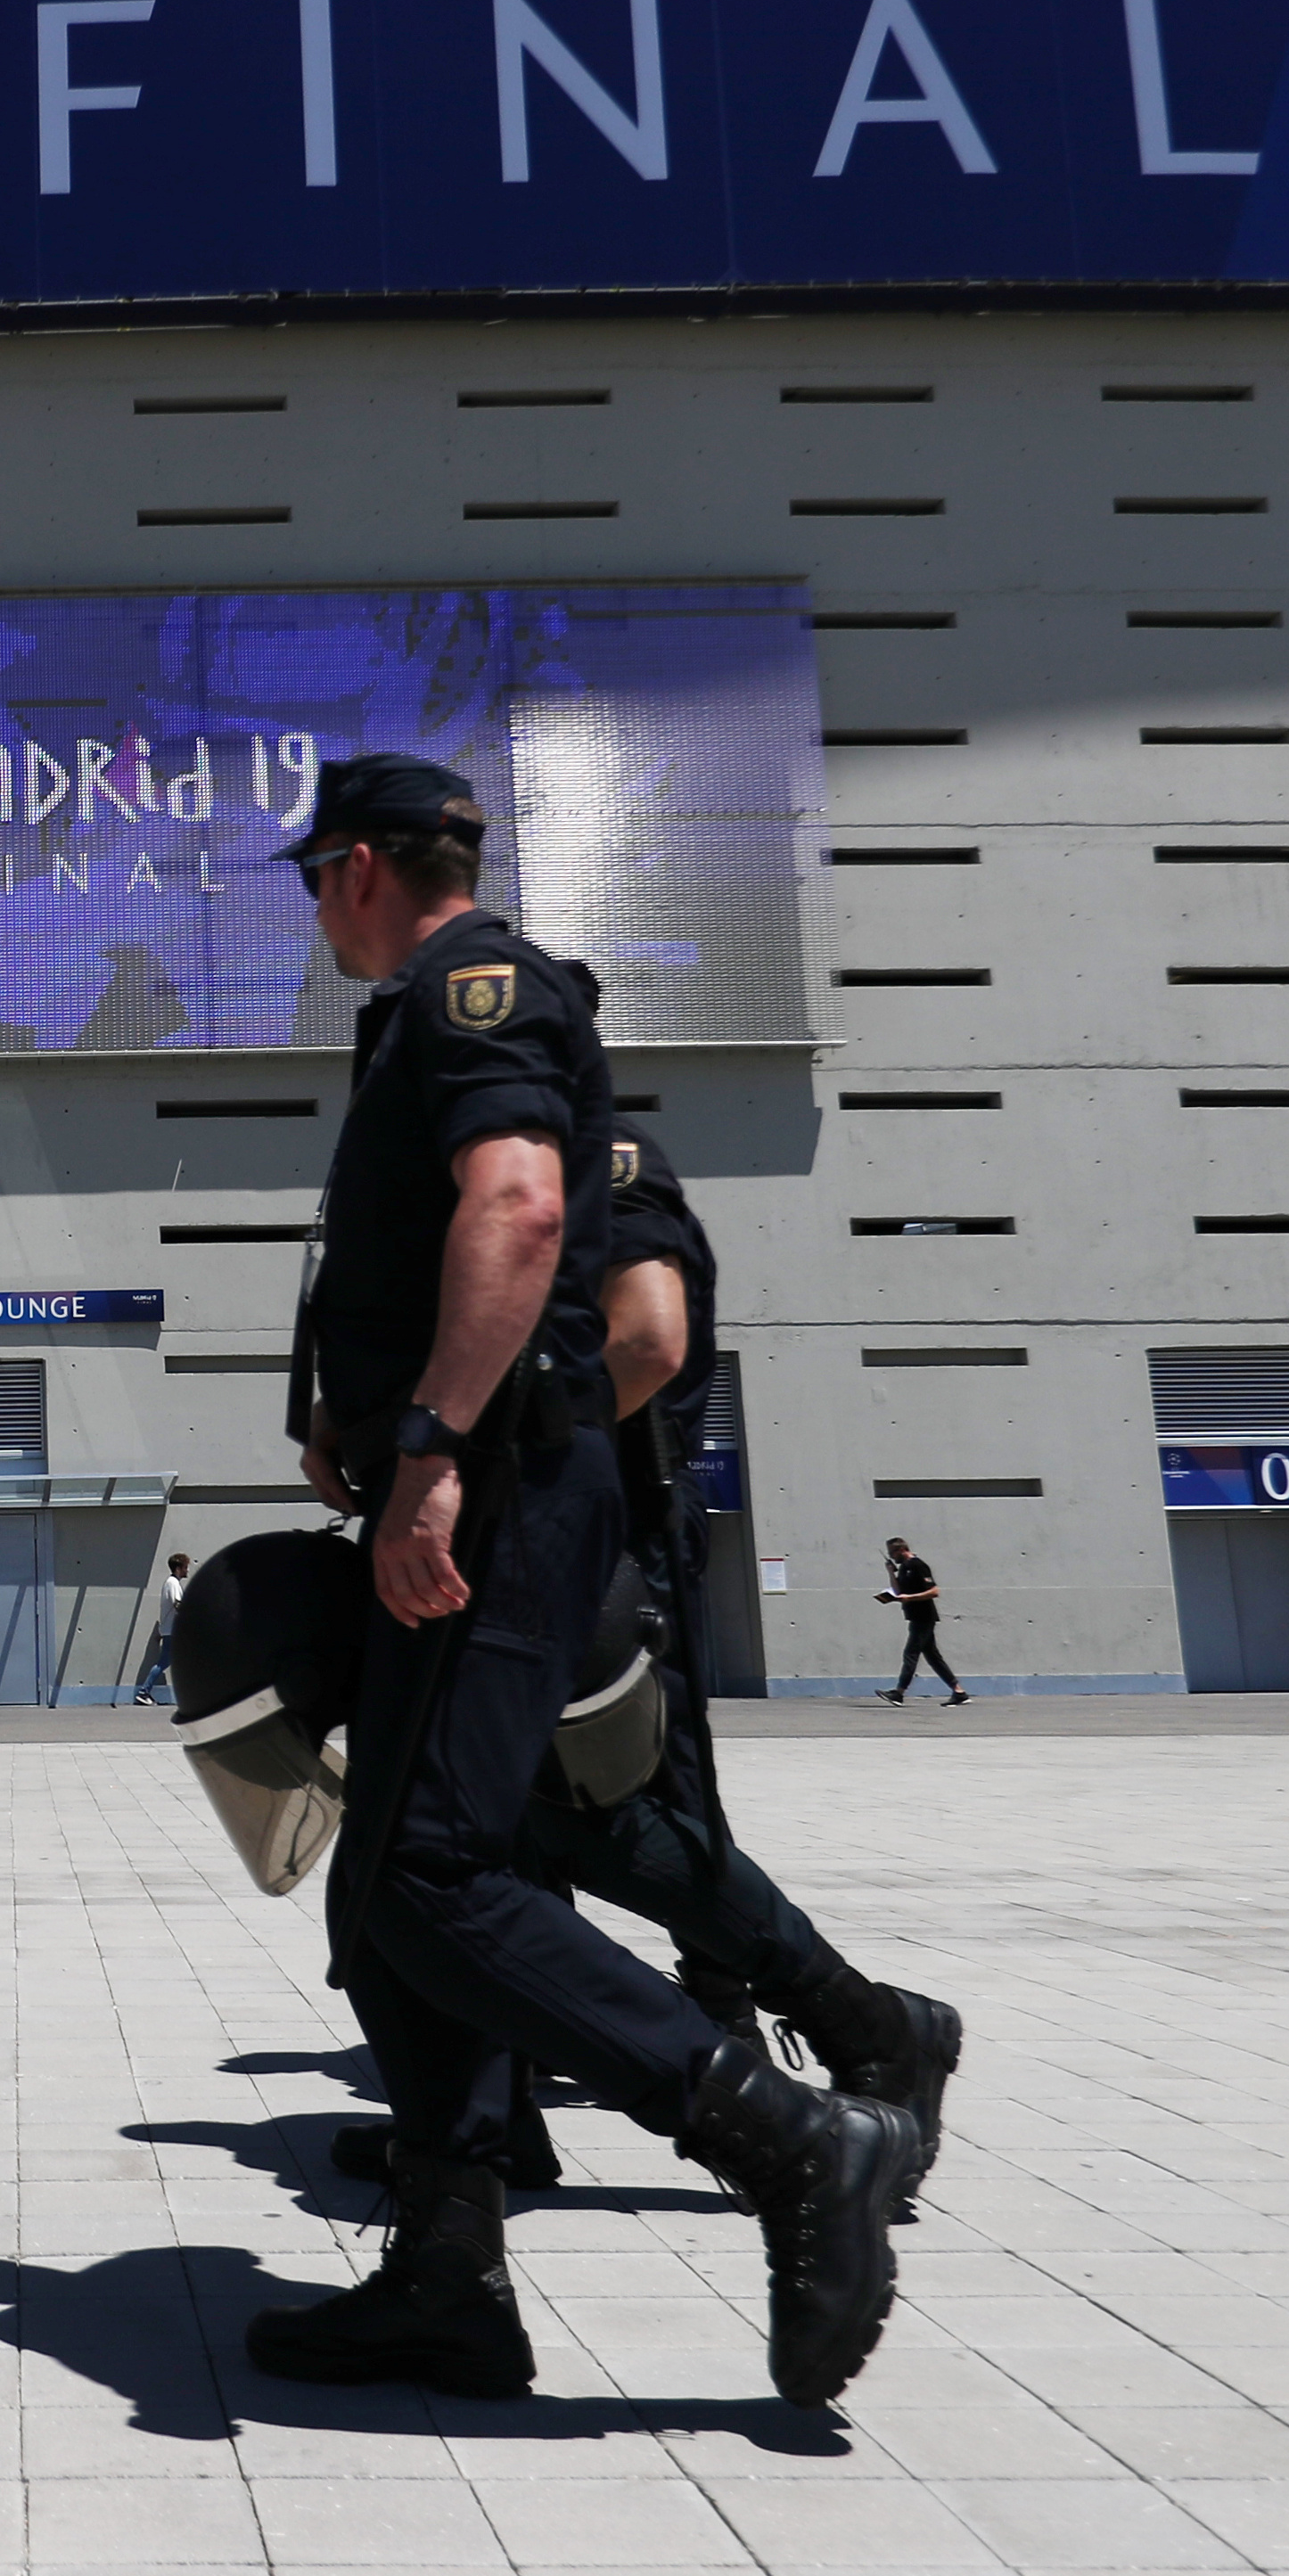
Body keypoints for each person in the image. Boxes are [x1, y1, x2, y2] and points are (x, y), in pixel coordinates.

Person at [237, 751, 916, 2409]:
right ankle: (448, 2269)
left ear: (361, 867)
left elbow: (525, 1211)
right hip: (480, 1487)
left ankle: (792, 2133)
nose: (313, 907)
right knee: (387, 1890)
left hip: (506, 1501)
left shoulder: (474, 989)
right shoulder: (423, 1011)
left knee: (448, 1876)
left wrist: (431, 1449)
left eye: (314, 876)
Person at [333, 1121, 962, 2210]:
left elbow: (648, 1341)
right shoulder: (474, 1176)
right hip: (522, 1549)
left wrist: (490, 1472)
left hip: (593, 1549)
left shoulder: (591, 1159)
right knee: (478, 1832)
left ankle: (860, 2021)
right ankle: (482, 2129)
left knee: (603, 1821)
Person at [878, 1538, 965, 1703]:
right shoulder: (904, 1568)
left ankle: (899, 1693)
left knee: (910, 1654)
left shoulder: (918, 1565)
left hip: (924, 1617)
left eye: (893, 1553)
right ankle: (959, 1692)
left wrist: (910, 1598)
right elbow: (898, 1591)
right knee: (933, 1657)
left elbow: (934, 1592)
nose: (892, 1557)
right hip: (914, 1616)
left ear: (902, 1550)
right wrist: (891, 1572)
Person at [142, 1550, 193, 1704]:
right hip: (173, 1631)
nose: (187, 1570)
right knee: (164, 1662)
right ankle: (144, 1692)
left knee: (173, 1661)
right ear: (178, 1568)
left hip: (171, 1630)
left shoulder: (172, 1583)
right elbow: (178, 1604)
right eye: (185, 1567)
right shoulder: (173, 1583)